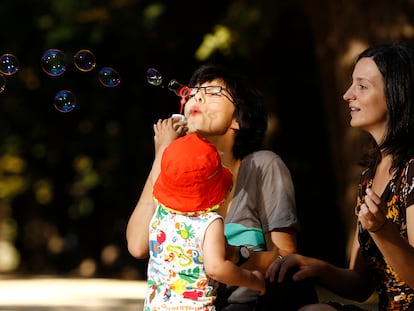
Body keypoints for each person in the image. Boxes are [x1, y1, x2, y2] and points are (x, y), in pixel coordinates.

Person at [127, 63, 317, 310]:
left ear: (239, 118)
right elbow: (138, 245)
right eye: (194, 92)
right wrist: (163, 157)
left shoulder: (262, 166)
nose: (198, 95)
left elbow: (284, 256)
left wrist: (234, 262)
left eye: (214, 92)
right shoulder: (177, 177)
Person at [266, 43, 414, 310]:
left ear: (396, 95)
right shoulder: (369, 177)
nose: (347, 95)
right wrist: (315, 266)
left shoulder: (412, 170)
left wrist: (382, 230)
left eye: (362, 86)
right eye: (351, 84)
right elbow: (361, 284)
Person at [144, 130, 265, 311]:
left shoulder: (161, 209)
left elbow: (156, 175)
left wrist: (165, 141)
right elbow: (216, 267)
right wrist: (254, 280)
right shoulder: (209, 222)